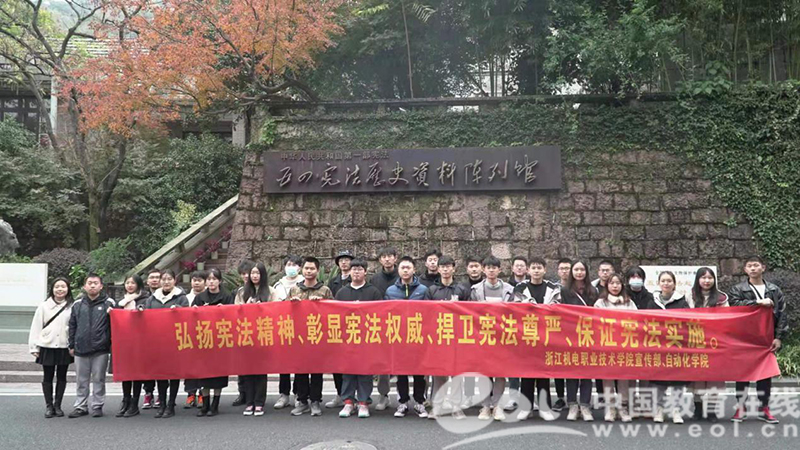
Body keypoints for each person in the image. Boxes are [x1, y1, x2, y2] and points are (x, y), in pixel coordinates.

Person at [729, 256, 787, 425]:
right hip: (743, 338)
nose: (753, 268)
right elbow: (735, 306)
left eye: (756, 265)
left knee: (765, 374)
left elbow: (782, 314)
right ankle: (741, 407)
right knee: (742, 374)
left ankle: (764, 408)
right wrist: (757, 302)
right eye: (749, 266)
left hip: (765, 338)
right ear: (745, 270)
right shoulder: (738, 289)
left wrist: (778, 337)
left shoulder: (774, 290)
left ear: (763, 267)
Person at [334, 259, 384, 419]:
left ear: (365, 272)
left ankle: (363, 402)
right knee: (348, 371)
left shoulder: (374, 292)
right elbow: (335, 315)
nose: (356, 272)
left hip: (366, 339)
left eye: (360, 269)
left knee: (364, 371)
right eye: (354, 269)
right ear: (349, 272)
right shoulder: (342, 292)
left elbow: (379, 314)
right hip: (347, 339)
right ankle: (348, 402)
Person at [423, 255, 469, 420]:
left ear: (454, 269)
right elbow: (426, 313)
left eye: (448, 266)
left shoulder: (462, 289)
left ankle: (457, 407)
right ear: (438, 269)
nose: (445, 269)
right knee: (438, 374)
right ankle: (437, 406)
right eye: (443, 267)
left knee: (457, 374)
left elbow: (469, 313)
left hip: (457, 338)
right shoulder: (432, 290)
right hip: (438, 338)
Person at [514, 257, 560, 421]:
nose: (536, 270)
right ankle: (525, 407)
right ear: (528, 270)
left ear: (545, 270)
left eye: (539, 268)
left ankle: (545, 407)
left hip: (547, 335)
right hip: (527, 334)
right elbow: (516, 308)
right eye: (533, 268)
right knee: (526, 373)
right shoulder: (520, 287)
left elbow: (557, 308)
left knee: (544, 372)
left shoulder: (553, 288)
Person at [471, 256, 515, 421]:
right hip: (482, 337)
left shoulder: (509, 290)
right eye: (488, 267)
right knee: (484, 373)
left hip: (502, 338)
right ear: (483, 270)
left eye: (494, 267)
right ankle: (485, 406)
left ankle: (497, 405)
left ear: (499, 270)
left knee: (500, 373)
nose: (491, 270)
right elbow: (470, 312)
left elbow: (515, 312)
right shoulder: (475, 290)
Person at [140, 269, 189, 418]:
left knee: (173, 374)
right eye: (164, 279)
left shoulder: (181, 298)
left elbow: (187, 317)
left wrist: (179, 311)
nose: (166, 282)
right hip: (157, 343)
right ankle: (162, 403)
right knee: (160, 374)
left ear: (175, 281)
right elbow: (145, 317)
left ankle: (171, 404)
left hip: (174, 343)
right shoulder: (152, 298)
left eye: (169, 279)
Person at [553, 260, 598, 422]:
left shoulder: (593, 290)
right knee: (571, 371)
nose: (579, 272)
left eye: (582, 269)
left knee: (587, 371)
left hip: (588, 335)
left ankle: (585, 405)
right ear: (572, 272)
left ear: (586, 272)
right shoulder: (564, 291)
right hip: (570, 335)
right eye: (576, 269)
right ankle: (572, 404)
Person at [288, 256, 333, 417]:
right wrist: (292, 304)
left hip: (317, 337)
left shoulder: (325, 290)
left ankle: (315, 401)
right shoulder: (294, 290)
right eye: (306, 268)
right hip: (299, 337)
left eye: (312, 268)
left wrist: (322, 303)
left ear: (317, 270)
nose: (309, 271)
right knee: (300, 370)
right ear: (302, 270)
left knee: (316, 371)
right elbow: (284, 312)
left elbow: (334, 311)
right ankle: (302, 401)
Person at [385, 256, 429, 418]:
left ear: (414, 270)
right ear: (398, 270)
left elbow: (429, 313)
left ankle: (419, 402)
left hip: (418, 336)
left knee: (419, 372)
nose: (405, 270)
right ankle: (402, 402)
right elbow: (385, 312)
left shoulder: (423, 290)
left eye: (408, 267)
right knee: (401, 371)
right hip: (399, 336)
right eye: (402, 268)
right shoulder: (390, 291)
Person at [646, 271, 691, 424]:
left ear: (674, 284)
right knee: (658, 381)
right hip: (658, 347)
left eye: (669, 281)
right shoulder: (652, 302)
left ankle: (676, 410)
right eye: (663, 281)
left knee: (678, 380)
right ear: (659, 284)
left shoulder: (682, 302)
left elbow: (688, 323)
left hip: (677, 346)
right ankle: (659, 410)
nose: (666, 283)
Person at [67, 274, 116, 418]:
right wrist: (71, 344)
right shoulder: (77, 304)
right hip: (80, 348)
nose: (92, 285)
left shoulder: (109, 303)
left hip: (100, 349)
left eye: (95, 283)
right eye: (89, 283)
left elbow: (115, 325)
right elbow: (72, 325)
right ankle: (81, 406)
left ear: (101, 286)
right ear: (84, 286)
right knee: (81, 380)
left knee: (99, 378)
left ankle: (97, 405)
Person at [593, 273, 637, 423]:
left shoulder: (629, 302)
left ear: (622, 285)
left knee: (624, 377)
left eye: (618, 283)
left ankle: (623, 407)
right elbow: (596, 322)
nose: (615, 286)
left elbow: (636, 321)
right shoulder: (600, 303)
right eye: (612, 283)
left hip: (625, 345)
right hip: (607, 345)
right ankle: (610, 407)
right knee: (608, 377)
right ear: (607, 285)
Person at [29, 277, 74, 418]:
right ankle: (49, 406)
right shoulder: (44, 306)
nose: (60, 289)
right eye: (57, 286)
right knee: (47, 376)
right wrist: (34, 347)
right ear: (52, 289)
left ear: (68, 289)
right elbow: (36, 326)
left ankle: (58, 405)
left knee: (62, 377)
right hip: (47, 345)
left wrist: (73, 345)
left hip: (64, 346)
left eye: (63, 286)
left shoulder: (72, 306)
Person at [690, 267, 728, 423]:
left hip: (715, 343)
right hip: (695, 341)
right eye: (703, 277)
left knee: (714, 377)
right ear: (698, 280)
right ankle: (698, 409)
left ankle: (712, 411)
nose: (707, 281)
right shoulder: (690, 296)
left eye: (710, 278)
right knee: (697, 377)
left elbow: (728, 320)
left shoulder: (722, 298)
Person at [192, 268, 232, 417]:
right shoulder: (200, 297)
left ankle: (215, 404)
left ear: (219, 281)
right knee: (204, 374)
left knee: (218, 375)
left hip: (220, 340)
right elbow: (191, 317)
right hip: (204, 340)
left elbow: (233, 316)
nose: (211, 282)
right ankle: (205, 404)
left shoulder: (227, 296)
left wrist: (223, 311)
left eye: (214, 279)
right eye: (209, 279)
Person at [237, 263, 270, 417]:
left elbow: (277, 310)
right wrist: (247, 307)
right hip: (246, 335)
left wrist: (262, 308)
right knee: (247, 371)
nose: (255, 276)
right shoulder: (242, 292)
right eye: (252, 273)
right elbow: (235, 311)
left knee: (261, 372)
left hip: (264, 336)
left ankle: (259, 402)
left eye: (258, 273)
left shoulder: (271, 291)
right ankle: (249, 402)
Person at [270, 255, 303, 409]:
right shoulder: (278, 285)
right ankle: (284, 394)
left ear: (300, 268)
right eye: (288, 264)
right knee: (284, 364)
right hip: (283, 327)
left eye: (294, 265)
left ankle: (298, 394)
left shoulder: (304, 283)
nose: (291, 267)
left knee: (298, 363)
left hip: (301, 328)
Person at [116, 274, 149, 417]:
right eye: (127, 282)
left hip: (139, 342)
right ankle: (126, 400)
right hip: (124, 341)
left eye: (133, 283)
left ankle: (134, 403)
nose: (130, 285)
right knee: (126, 373)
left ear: (139, 285)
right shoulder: (120, 301)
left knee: (136, 373)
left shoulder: (145, 299)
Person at [327, 250, 354, 409]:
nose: (344, 262)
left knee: (352, 362)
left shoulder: (357, 279)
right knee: (337, 363)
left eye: (347, 260)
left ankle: (353, 396)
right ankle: (340, 394)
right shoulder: (333, 282)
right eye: (341, 260)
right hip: (337, 326)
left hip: (354, 326)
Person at [231, 260, 255, 407]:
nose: (246, 276)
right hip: (242, 331)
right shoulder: (238, 292)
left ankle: (256, 396)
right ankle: (242, 393)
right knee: (242, 365)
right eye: (243, 274)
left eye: (249, 273)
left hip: (259, 332)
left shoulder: (262, 289)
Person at [551, 257, 573, 412]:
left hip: (574, 331)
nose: (565, 271)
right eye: (562, 268)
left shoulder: (578, 288)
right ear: (558, 271)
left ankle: (573, 398)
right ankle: (560, 397)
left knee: (573, 365)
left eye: (567, 268)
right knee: (557, 365)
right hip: (557, 331)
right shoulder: (553, 288)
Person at [183, 270, 206, 410]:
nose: (196, 283)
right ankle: (190, 394)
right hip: (189, 337)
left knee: (203, 367)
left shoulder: (208, 296)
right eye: (194, 280)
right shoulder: (185, 298)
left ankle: (202, 394)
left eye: (199, 280)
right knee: (190, 367)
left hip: (205, 336)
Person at [142, 268, 162, 409]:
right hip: (146, 338)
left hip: (163, 338)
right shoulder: (142, 297)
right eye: (152, 277)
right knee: (147, 368)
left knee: (162, 368)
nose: (154, 280)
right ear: (147, 281)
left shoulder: (168, 295)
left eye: (157, 277)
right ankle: (148, 393)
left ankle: (161, 394)